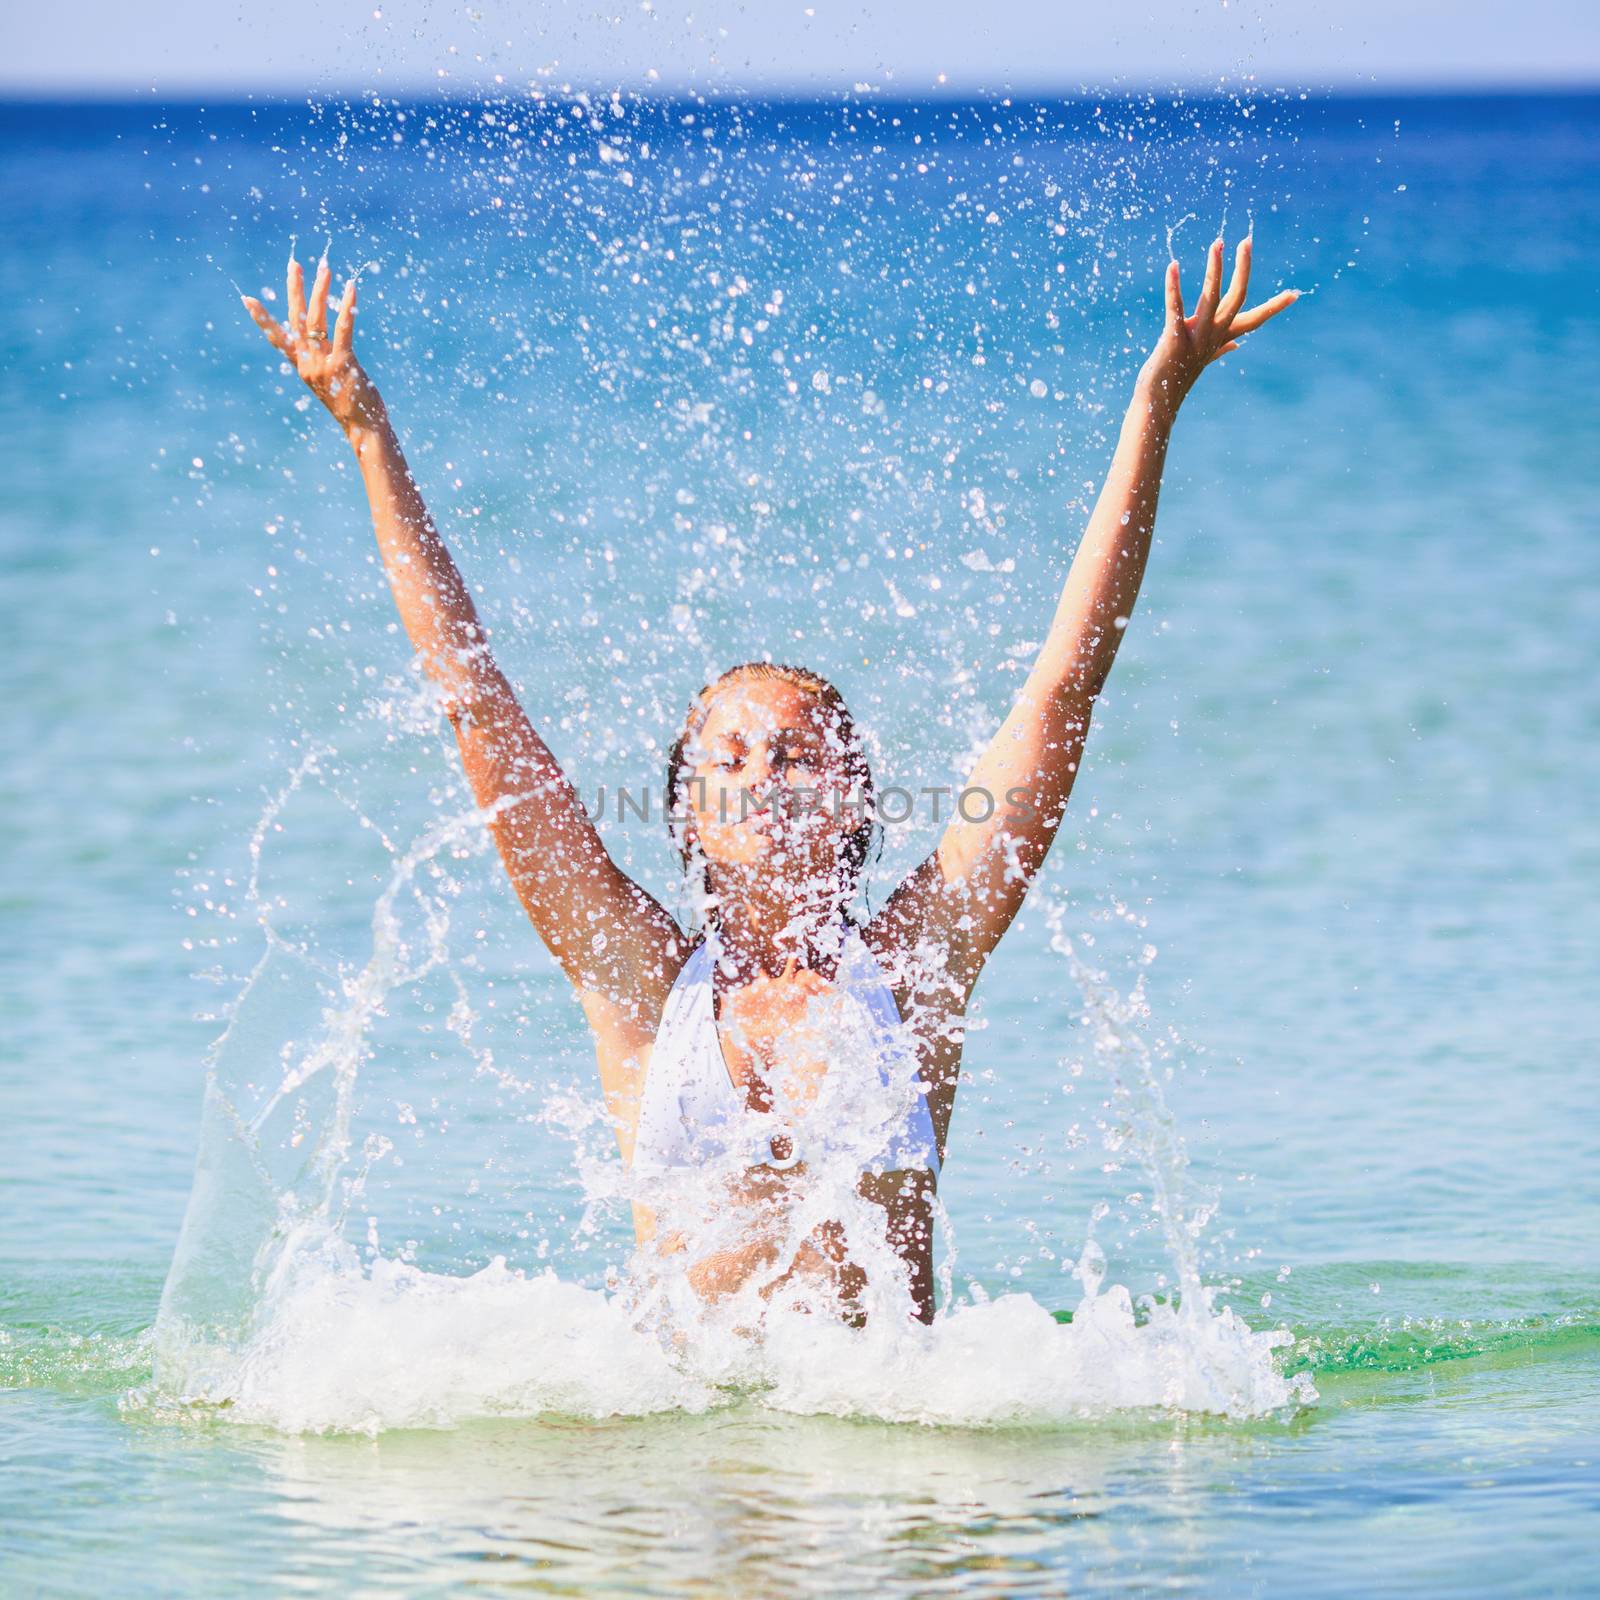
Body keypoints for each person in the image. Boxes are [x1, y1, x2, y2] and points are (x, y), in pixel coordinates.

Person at [242, 236, 1297, 1325]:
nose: (765, 776)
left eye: (797, 753)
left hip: (877, 1446)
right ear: (690, 810)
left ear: (853, 797)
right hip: (678, 1454)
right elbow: (473, 701)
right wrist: (368, 437)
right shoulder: (642, 985)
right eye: (730, 757)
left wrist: (1156, 405)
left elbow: (1062, 689)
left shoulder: (916, 968)